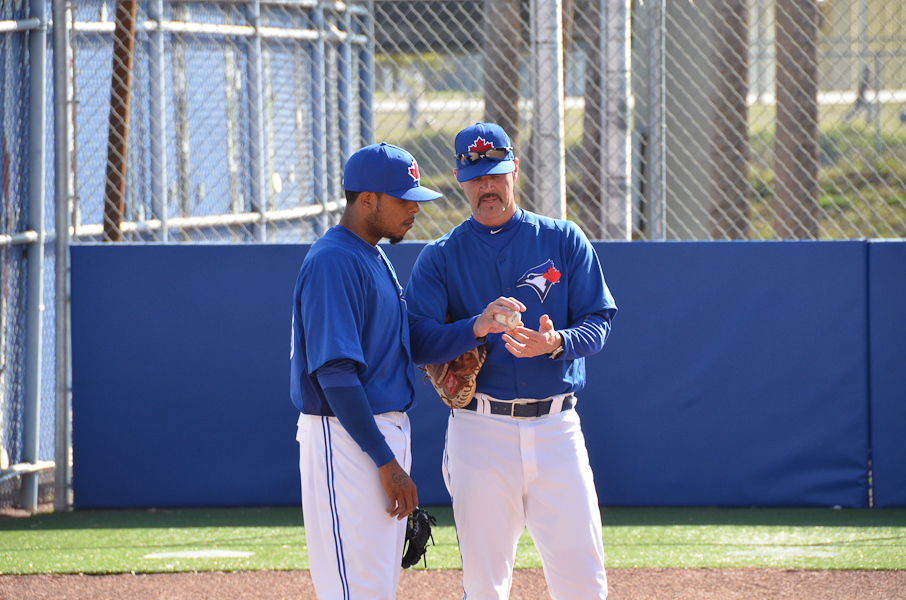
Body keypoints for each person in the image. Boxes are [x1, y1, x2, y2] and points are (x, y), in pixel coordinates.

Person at [406, 122, 617, 600]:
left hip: (557, 428)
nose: (487, 187)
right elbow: (417, 340)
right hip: (481, 430)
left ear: (515, 170)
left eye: (496, 175)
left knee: (584, 582)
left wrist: (558, 342)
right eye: (476, 178)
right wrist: (475, 327)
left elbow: (599, 321)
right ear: (460, 180)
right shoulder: (441, 256)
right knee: (484, 585)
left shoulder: (563, 239)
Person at [290, 142, 442, 599]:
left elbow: (403, 341)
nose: (414, 208)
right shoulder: (334, 260)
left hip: (372, 436)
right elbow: (335, 373)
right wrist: (384, 460)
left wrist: (475, 329)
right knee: (356, 590)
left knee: (374, 587)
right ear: (367, 200)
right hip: (346, 436)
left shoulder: (370, 254)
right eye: (403, 199)